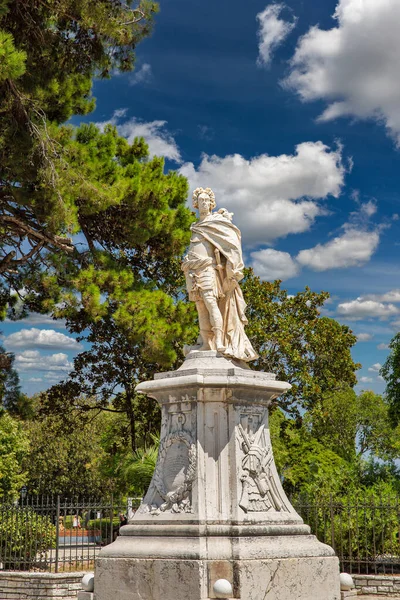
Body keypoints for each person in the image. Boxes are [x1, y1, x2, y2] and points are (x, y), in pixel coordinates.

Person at [182, 187, 258, 362]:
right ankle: (206, 343)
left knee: (210, 302)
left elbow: (231, 242)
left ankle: (219, 340)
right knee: (200, 307)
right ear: (195, 204)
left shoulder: (216, 223)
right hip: (192, 271)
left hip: (208, 269)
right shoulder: (194, 226)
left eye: (206, 201)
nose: (203, 203)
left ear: (211, 204)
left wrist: (233, 267)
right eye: (200, 201)